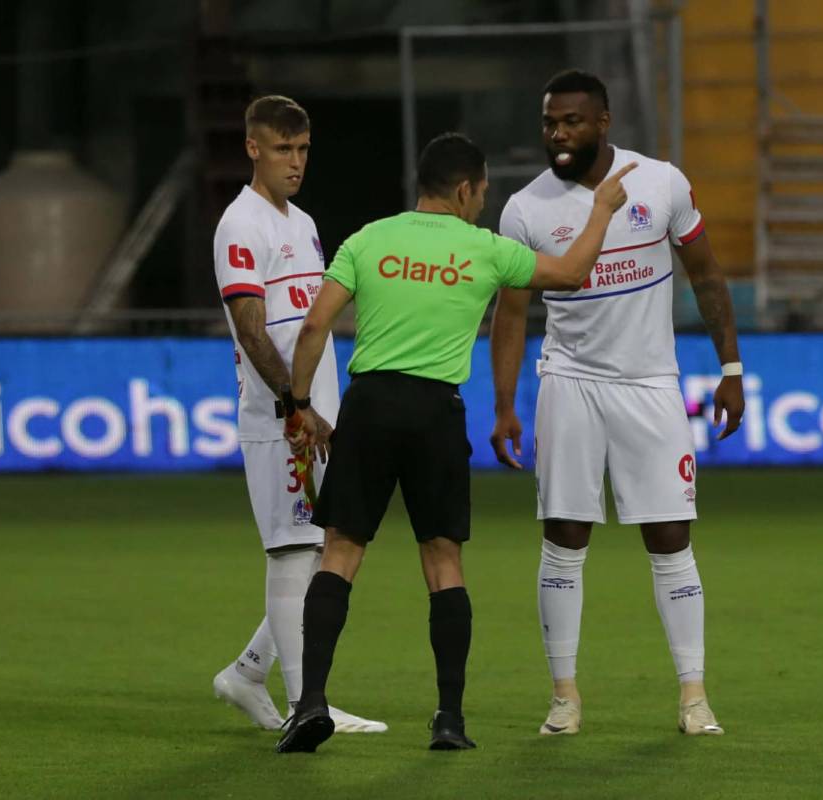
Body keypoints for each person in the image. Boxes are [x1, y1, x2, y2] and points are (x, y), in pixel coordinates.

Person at [274, 132, 636, 754]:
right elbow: (573, 274)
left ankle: (309, 705)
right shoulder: (488, 250)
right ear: (466, 189)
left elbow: (314, 326)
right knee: (443, 563)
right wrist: (602, 210)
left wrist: (301, 404)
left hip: (371, 403)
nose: (483, 202)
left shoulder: (369, 238)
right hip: (436, 413)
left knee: (340, 554)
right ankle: (448, 720)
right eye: (483, 192)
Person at [489, 69, 746, 737]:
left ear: (603, 122)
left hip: (650, 384)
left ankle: (694, 696)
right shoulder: (524, 210)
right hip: (569, 382)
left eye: (571, 121)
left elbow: (706, 274)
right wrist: (505, 406)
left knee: (670, 538)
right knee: (564, 537)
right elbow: (511, 314)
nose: (558, 134)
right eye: (549, 122)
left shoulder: (660, 183)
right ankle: (565, 696)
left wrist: (731, 367)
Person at [211, 94, 385, 736]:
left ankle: (249, 675)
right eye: (282, 149)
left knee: (321, 554)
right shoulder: (241, 224)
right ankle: (305, 705)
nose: (295, 162)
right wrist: (295, 406)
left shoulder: (304, 222)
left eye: (303, 149)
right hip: (282, 417)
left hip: (316, 413)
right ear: (253, 147)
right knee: (292, 553)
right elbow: (252, 331)